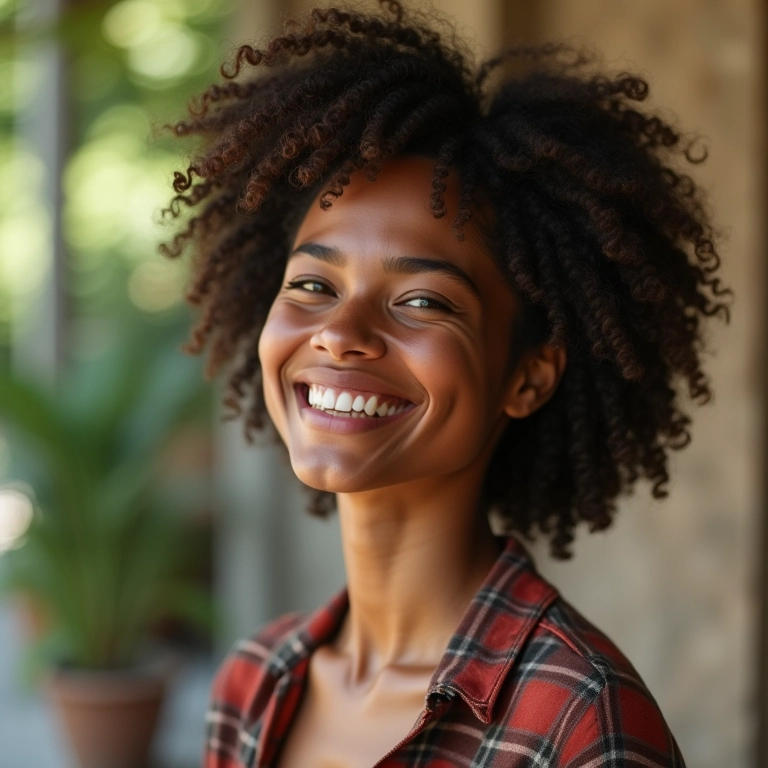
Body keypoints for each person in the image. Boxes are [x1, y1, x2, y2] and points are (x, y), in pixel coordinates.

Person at [161, 2, 730, 765]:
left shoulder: (581, 725)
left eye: (422, 301)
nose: (340, 332)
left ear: (526, 378)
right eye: (312, 286)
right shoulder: (252, 684)